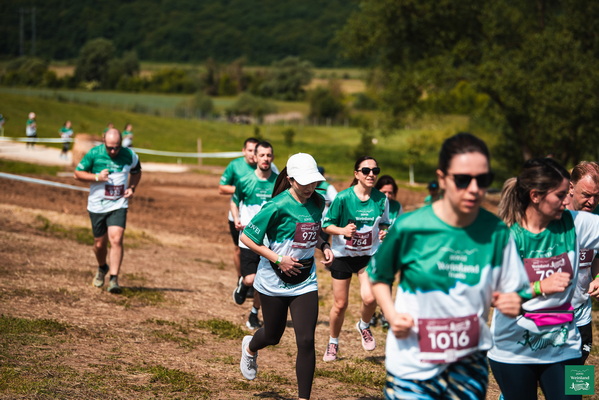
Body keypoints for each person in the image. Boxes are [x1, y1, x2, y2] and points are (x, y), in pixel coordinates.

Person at [367, 132, 529, 400]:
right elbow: (378, 275)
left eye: (483, 180)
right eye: (463, 179)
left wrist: (515, 301)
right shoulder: (411, 227)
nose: (474, 189)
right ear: (442, 178)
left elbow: (517, 291)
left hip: (468, 367)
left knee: (575, 389)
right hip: (412, 366)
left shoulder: (497, 232)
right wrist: (392, 316)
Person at [489, 157, 599, 400]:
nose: (566, 201)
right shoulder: (506, 235)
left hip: (571, 334)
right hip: (514, 348)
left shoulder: (576, 222)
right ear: (535, 196)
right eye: (560, 195)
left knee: (578, 390)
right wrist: (539, 287)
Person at [238, 153, 333, 400]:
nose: (311, 187)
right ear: (290, 179)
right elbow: (247, 238)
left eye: (314, 181)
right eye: (305, 182)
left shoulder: (317, 201)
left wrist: (324, 246)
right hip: (273, 280)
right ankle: (250, 347)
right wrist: (278, 259)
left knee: (306, 340)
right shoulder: (276, 206)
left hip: (305, 280)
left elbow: (313, 232)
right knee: (272, 335)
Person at [321, 156, 390, 362]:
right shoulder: (343, 198)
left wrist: (384, 231)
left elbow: (384, 222)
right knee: (340, 305)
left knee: (370, 298)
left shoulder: (381, 199)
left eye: (375, 171)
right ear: (356, 174)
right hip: (343, 255)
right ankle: (333, 342)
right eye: (366, 171)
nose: (371, 174)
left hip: (368, 255)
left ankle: (364, 325)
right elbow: (326, 225)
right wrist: (342, 230)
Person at [74, 128, 142, 294]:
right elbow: (77, 174)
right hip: (97, 205)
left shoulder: (129, 155)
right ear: (104, 140)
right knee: (99, 244)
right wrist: (97, 177)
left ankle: (114, 279)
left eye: (116, 147)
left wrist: (132, 187)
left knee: (116, 239)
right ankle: (102, 267)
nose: (113, 151)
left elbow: (136, 171)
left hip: (118, 204)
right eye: (110, 147)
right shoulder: (94, 154)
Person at [231, 141, 278, 330]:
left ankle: (254, 313)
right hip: (249, 239)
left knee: (261, 281)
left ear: (272, 157)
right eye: (262, 155)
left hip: (270, 240)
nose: (265, 158)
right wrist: (236, 218)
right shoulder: (245, 180)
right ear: (255, 157)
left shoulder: (278, 182)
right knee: (251, 279)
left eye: (269, 155)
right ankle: (243, 284)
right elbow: (234, 202)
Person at [566, 161, 599, 364]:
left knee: (577, 378)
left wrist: (598, 276)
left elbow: (597, 257)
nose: (592, 201)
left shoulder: (597, 218)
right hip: (549, 315)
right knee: (541, 375)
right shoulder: (552, 217)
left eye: (597, 196)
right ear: (571, 187)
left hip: (581, 314)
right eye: (586, 195)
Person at [219, 138, 260, 286]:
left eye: (255, 151)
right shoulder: (235, 165)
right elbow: (222, 187)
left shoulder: (267, 166)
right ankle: (241, 279)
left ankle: (255, 282)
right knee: (239, 249)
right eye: (249, 150)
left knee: (259, 251)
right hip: (238, 217)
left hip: (259, 218)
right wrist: (244, 189)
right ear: (243, 151)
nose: (252, 154)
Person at [315, 166, 338, 241]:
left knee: (323, 242)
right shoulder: (310, 186)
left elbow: (336, 201)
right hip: (313, 220)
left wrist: (329, 203)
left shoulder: (327, 187)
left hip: (324, 221)